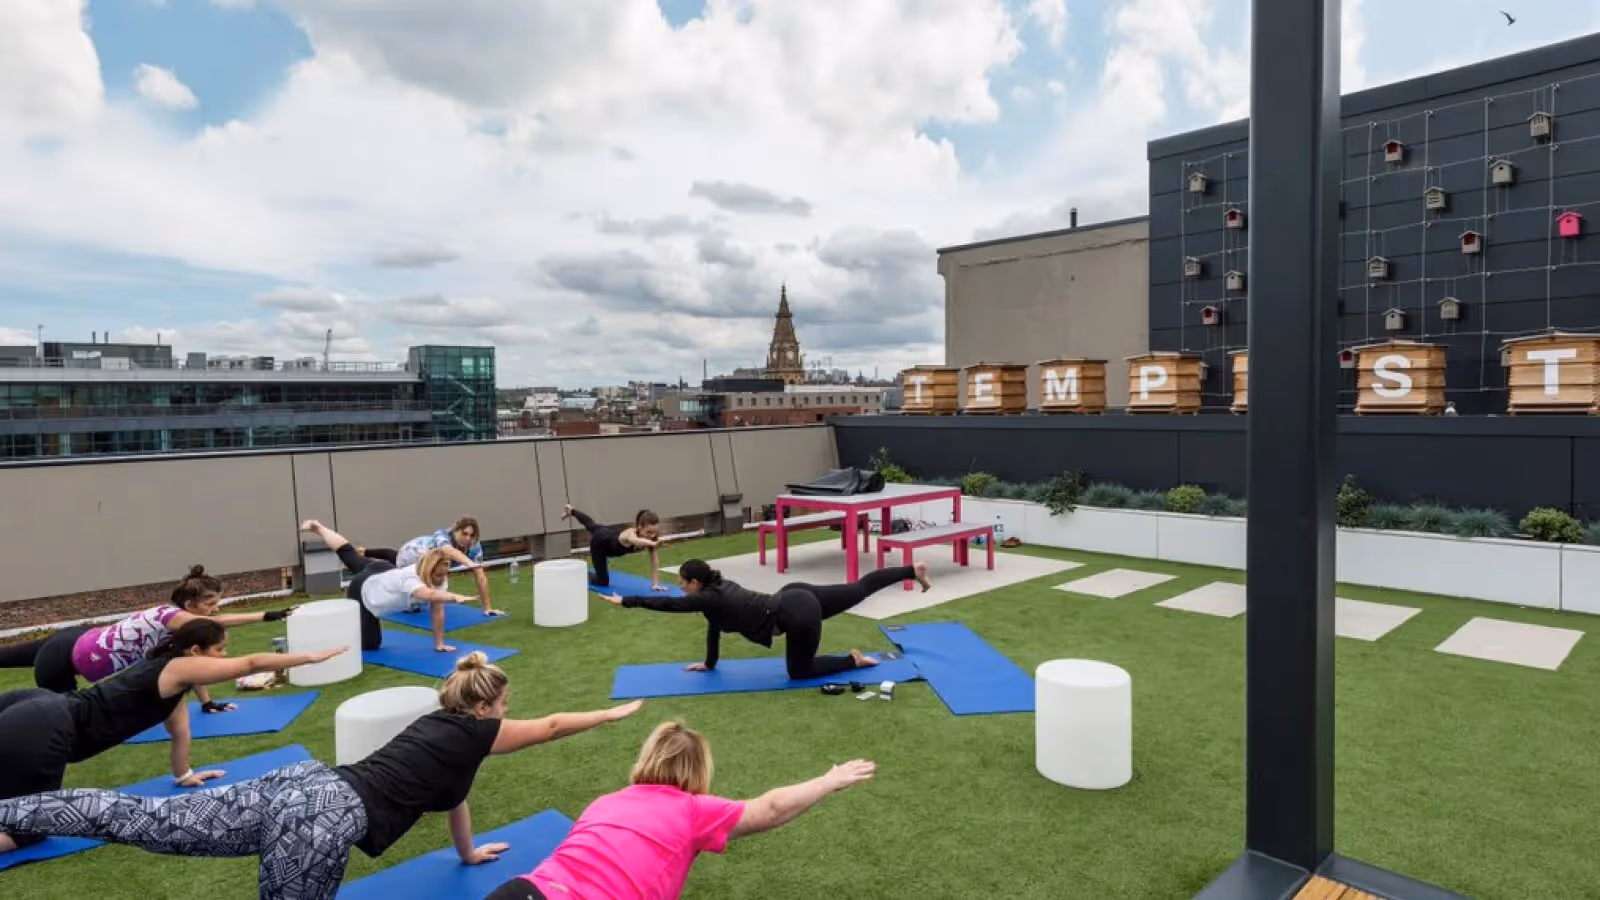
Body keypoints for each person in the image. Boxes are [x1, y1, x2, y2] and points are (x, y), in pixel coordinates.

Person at [0, 652, 644, 900]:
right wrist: (612, 713)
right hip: (322, 817)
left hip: (297, 785)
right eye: (503, 706)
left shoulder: (440, 728)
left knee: (143, 819)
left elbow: (455, 798)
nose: (508, 716)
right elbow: (555, 724)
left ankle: (9, 811)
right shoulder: (476, 730)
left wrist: (471, 853)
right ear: (484, 707)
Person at [0, 618, 345, 855]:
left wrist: (184, 776)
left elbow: (179, 732)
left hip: (38, 706)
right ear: (194, 651)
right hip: (46, 726)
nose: (224, 658)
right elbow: (250, 663)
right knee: (26, 829)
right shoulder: (178, 667)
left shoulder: (168, 683)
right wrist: (310, 656)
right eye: (219, 650)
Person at [485, 720, 876, 900]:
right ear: (700, 771)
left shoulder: (607, 800)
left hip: (522, 890)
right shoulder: (693, 810)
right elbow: (770, 809)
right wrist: (828, 781)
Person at [0, 565, 293, 713]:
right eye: (210, 603)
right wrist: (267, 615)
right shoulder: (175, 618)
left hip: (75, 640)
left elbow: (194, 664)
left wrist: (207, 703)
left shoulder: (180, 627)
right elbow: (215, 623)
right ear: (190, 605)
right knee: (62, 720)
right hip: (62, 660)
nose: (215, 608)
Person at [604, 559, 932, 679]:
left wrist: (627, 601)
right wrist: (709, 663)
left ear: (696, 583)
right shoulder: (716, 591)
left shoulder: (706, 597)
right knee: (859, 588)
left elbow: (668, 606)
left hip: (798, 613)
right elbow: (713, 627)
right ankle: (910, 570)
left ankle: (852, 660)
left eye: (683, 583)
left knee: (799, 672)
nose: (680, 588)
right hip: (797, 595)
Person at [301, 519, 480, 653]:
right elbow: (429, 595)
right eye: (439, 575)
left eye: (445, 574)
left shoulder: (438, 578)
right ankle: (333, 629)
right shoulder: (411, 577)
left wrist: (439, 643)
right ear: (428, 570)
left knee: (349, 554)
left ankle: (318, 528)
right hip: (363, 588)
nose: (442, 579)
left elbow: (437, 608)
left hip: (383, 570)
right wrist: (455, 597)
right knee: (370, 646)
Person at [362, 517, 503, 618]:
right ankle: (363, 560)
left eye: (471, 535)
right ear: (455, 530)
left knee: (392, 558)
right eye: (464, 533)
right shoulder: (442, 534)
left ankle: (364, 552)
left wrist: (487, 607)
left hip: (429, 561)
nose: (467, 538)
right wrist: (469, 563)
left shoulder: (474, 547)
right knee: (409, 592)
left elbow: (480, 575)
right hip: (410, 555)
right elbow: (448, 551)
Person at [563, 505, 666, 591]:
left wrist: (655, 584)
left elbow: (654, 561)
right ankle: (578, 573)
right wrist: (653, 544)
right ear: (639, 527)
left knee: (591, 524)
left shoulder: (651, 540)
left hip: (607, 532)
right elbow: (635, 540)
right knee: (602, 582)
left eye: (654, 532)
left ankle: (571, 510)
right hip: (599, 544)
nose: (652, 536)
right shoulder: (631, 533)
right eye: (649, 532)